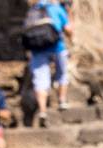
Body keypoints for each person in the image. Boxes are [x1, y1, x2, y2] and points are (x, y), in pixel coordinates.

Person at [26, 0, 72, 128]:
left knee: (40, 79)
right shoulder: (56, 8)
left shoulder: (32, 10)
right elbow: (68, 29)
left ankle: (42, 110)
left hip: (37, 50)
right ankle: (62, 100)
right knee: (62, 73)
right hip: (57, 46)